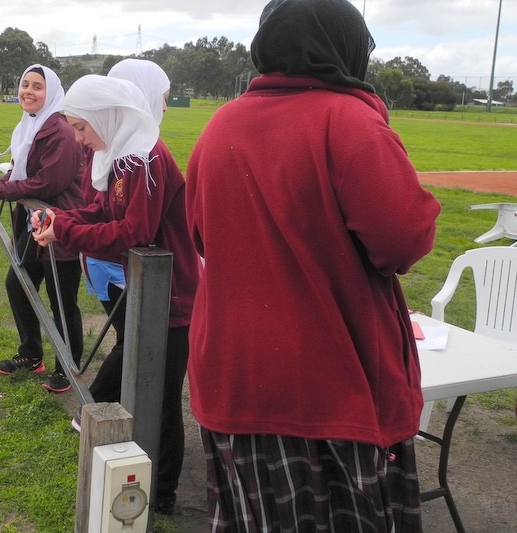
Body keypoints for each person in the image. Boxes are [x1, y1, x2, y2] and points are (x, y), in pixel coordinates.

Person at [184, 0, 442, 531]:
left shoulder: (220, 125)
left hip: (232, 376)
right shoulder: (350, 122)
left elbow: (201, 235)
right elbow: (405, 239)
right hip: (327, 386)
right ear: (346, 48)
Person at [31, 74, 201, 515]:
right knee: (146, 389)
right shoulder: (124, 156)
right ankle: (147, 479)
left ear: (106, 116)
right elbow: (101, 210)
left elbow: (134, 231)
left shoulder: (143, 160)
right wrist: (58, 217)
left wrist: (65, 228)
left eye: (83, 128)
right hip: (151, 291)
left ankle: (161, 493)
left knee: (161, 399)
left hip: (172, 295)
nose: (82, 140)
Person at [0, 64, 86, 394]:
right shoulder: (29, 125)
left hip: (58, 224)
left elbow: (49, 181)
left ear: (51, 93)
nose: (28, 91)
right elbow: (23, 171)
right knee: (18, 285)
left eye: (37, 86)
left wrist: (4, 192)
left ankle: (69, 367)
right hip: (31, 222)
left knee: (61, 300)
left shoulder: (62, 132)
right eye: (25, 84)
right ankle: (31, 354)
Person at [79, 58, 172, 410]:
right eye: (161, 96)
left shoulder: (132, 152)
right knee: (134, 337)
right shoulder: (134, 155)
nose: (163, 104)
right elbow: (128, 224)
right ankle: (98, 404)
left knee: (130, 337)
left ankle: (106, 405)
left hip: (117, 258)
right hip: (120, 262)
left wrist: (66, 225)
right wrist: (68, 228)